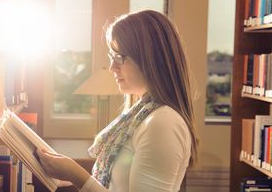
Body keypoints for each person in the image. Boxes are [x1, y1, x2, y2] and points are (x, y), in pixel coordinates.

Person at [36, 10, 199, 192]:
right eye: (111, 57)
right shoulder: (142, 114)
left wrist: (76, 175)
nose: (112, 67)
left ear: (149, 59)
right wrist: (69, 176)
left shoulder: (163, 123)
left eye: (119, 57)